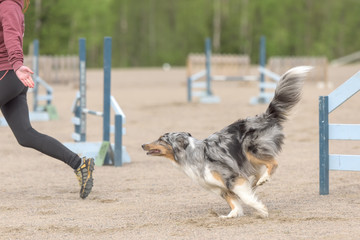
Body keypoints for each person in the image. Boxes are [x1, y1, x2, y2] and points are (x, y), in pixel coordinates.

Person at [0, 0, 94, 199]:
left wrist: (17, 65)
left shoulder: (8, 5)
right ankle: (79, 164)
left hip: (8, 74)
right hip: (12, 76)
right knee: (25, 135)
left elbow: (11, 36)